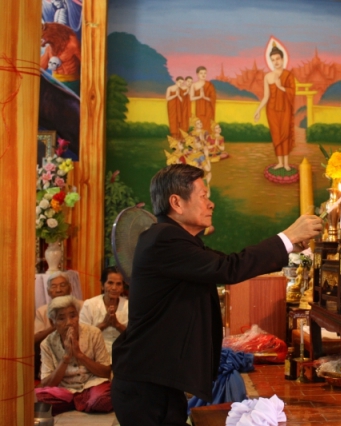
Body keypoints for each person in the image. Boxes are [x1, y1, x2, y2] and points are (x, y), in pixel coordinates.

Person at [111, 164, 322, 425]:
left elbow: (229, 262)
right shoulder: (164, 239)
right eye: (203, 196)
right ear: (176, 202)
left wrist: (288, 248)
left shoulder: (176, 241)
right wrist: (287, 237)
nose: (211, 204)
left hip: (156, 380)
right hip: (146, 384)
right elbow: (229, 267)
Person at [35, 295, 112, 415]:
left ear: (78, 316)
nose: (69, 323)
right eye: (61, 318)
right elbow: (47, 383)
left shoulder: (93, 333)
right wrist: (66, 357)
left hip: (92, 385)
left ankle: (75, 402)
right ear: (52, 322)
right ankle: (81, 402)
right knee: (37, 398)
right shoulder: (47, 344)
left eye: (73, 316)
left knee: (104, 399)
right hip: (64, 390)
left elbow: (106, 372)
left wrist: (79, 355)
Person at [254, 46, 295, 171]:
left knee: (285, 134)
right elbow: (266, 96)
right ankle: (280, 162)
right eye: (273, 60)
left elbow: (292, 92)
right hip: (271, 110)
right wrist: (258, 110)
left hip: (285, 109)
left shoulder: (288, 75)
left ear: (282, 59)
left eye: (278, 59)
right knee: (276, 135)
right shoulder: (268, 76)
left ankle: (286, 163)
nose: (276, 62)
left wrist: (280, 87)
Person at [79, 266, 128, 361]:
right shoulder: (89, 305)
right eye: (110, 283)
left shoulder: (129, 306)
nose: (114, 288)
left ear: (122, 287)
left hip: (123, 353)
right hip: (95, 353)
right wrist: (104, 324)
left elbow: (135, 336)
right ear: (102, 285)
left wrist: (117, 325)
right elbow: (82, 336)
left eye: (118, 284)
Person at [190, 66, 216, 132]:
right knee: (200, 124)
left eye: (205, 73)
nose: (203, 75)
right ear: (197, 74)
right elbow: (191, 98)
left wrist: (204, 97)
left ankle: (208, 137)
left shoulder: (209, 85)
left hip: (208, 108)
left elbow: (213, 98)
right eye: (201, 73)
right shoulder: (194, 85)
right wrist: (200, 97)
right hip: (199, 108)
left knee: (208, 125)